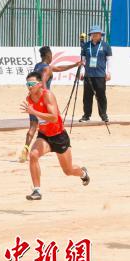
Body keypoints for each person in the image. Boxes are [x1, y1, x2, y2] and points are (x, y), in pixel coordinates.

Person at [21, 71, 90, 200]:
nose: (29, 87)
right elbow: (34, 123)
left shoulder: (48, 95)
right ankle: (37, 191)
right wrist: (26, 146)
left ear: (40, 84)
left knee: (68, 171)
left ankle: (83, 173)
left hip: (59, 136)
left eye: (31, 84)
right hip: (44, 136)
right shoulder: (29, 99)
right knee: (33, 155)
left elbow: (53, 117)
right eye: (27, 84)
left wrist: (34, 111)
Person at [19, 46, 80, 163]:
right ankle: (58, 144)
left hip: (33, 99)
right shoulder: (47, 69)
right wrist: (46, 96)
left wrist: (74, 65)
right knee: (52, 122)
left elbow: (58, 68)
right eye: (51, 54)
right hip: (42, 101)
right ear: (48, 55)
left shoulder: (38, 66)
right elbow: (43, 82)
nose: (52, 56)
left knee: (33, 126)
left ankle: (25, 149)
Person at [79, 25, 113, 123]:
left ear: (101, 35)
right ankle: (86, 115)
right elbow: (83, 60)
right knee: (87, 96)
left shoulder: (106, 46)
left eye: (97, 33)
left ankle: (103, 115)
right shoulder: (86, 46)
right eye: (93, 33)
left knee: (101, 96)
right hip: (88, 75)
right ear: (91, 35)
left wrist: (109, 72)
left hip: (100, 75)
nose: (95, 35)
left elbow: (109, 60)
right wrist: (82, 71)